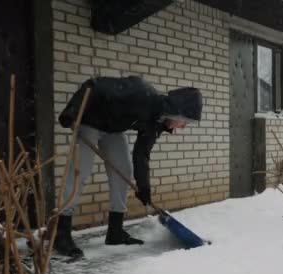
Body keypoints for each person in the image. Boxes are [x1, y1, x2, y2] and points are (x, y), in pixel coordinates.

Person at [54, 75, 202, 258]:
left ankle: (115, 232)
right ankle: (61, 235)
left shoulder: (156, 123)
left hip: (112, 130)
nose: (183, 127)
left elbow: (141, 155)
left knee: (123, 171)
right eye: (185, 122)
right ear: (177, 112)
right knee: (79, 172)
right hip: (89, 121)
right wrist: (72, 110)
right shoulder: (141, 92)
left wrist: (144, 187)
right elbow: (94, 84)